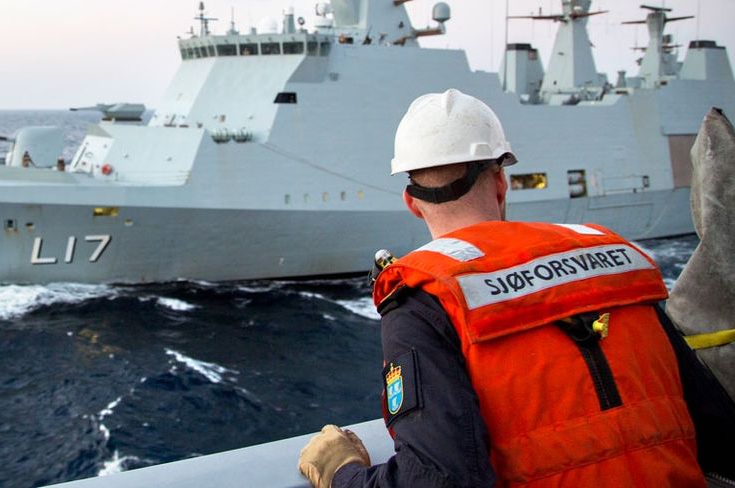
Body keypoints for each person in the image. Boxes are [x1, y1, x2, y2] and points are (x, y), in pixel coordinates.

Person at [298, 89, 734, 488]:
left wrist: (342, 473)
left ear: (411, 202)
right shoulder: (615, 260)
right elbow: (716, 430)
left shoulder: (424, 299)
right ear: (501, 183)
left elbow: (437, 480)